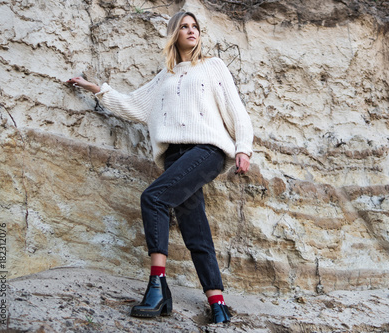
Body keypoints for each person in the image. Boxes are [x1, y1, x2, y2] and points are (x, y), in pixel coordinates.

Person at [67, 11, 253, 324]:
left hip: (206, 150)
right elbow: (132, 105)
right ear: (174, 33)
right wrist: (95, 88)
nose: (192, 31)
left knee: (153, 198)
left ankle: (157, 287)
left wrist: (243, 148)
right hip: (173, 157)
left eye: (195, 26)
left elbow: (237, 111)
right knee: (195, 228)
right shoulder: (163, 78)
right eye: (184, 26)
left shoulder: (212, 66)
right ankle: (218, 303)